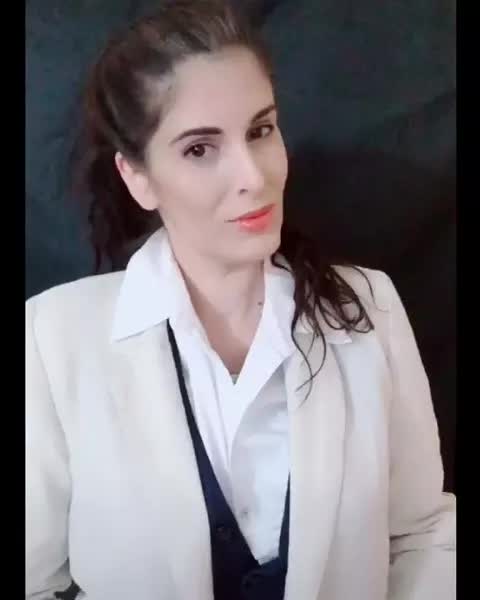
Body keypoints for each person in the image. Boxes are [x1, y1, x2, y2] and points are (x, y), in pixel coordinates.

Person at [25, 1, 456, 599]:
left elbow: (423, 534)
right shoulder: (52, 337)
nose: (254, 175)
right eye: (200, 149)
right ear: (137, 177)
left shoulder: (370, 307)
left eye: (260, 131)